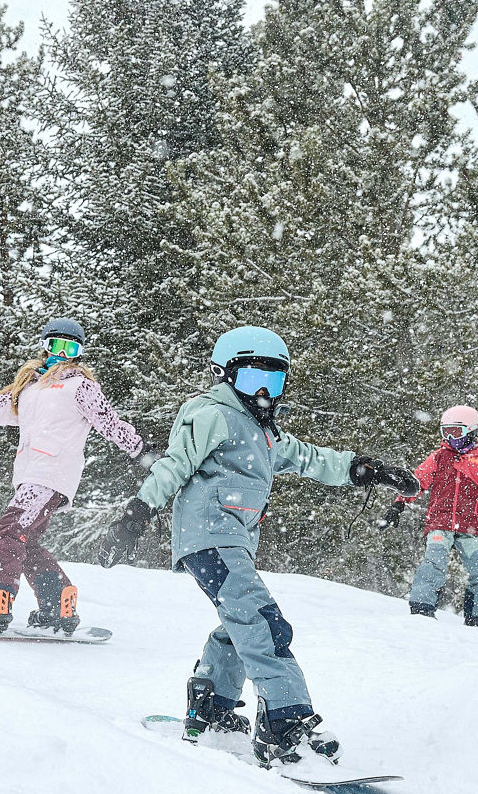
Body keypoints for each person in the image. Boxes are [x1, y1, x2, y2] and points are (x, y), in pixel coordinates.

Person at [98, 325, 418, 768]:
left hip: (231, 541)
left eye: (275, 379)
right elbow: (173, 465)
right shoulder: (211, 414)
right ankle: (285, 725)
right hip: (209, 536)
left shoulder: (264, 432)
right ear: (225, 375)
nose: (264, 391)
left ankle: (212, 705)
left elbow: (309, 458)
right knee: (264, 623)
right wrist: (136, 515)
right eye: (252, 378)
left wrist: (365, 469)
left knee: (240, 623)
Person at [0, 318, 144, 635]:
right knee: (25, 542)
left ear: (79, 354)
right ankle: (58, 604)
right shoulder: (29, 388)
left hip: (51, 474)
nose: (62, 354)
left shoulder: (81, 387)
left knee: (9, 531)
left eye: (70, 348)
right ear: (44, 347)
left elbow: (109, 422)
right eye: (56, 345)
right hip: (31, 476)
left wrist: (140, 450)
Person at [377, 405, 478, 625]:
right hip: (440, 523)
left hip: (470, 527)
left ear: (471, 431)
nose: (451, 438)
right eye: (446, 432)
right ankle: (422, 608)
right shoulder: (439, 457)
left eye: (456, 432)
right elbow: (417, 483)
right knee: (434, 564)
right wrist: (398, 505)